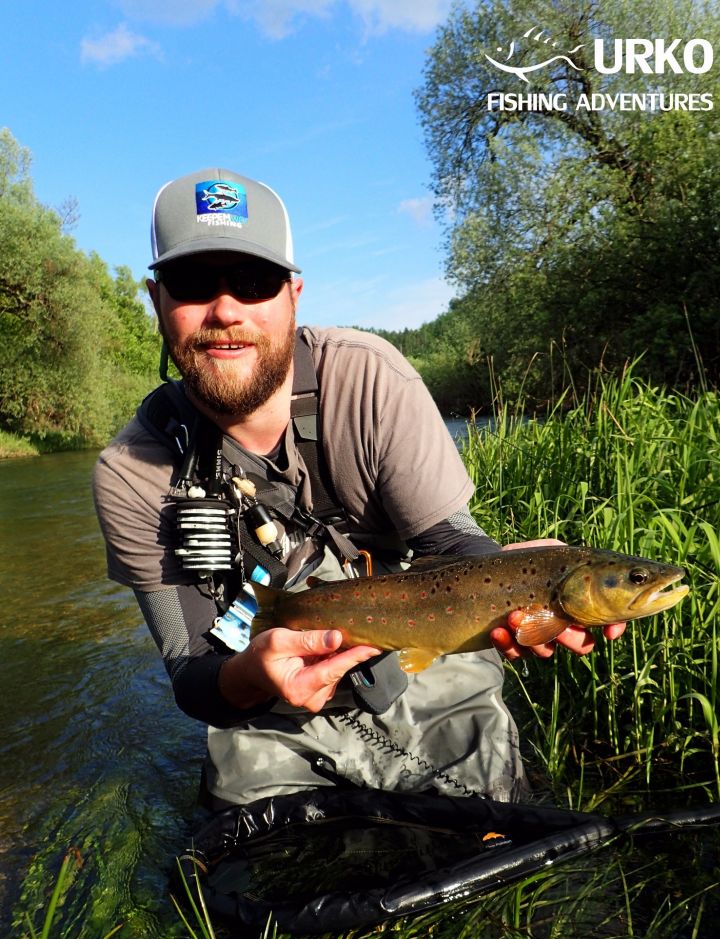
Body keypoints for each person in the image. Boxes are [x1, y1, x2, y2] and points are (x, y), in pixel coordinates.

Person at [93, 167, 625, 810]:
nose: (226, 310)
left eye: (254, 282)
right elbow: (192, 678)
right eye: (194, 283)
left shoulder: (373, 380)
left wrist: (519, 574)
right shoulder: (133, 471)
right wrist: (251, 673)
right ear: (156, 300)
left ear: (293, 295)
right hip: (266, 708)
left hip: (418, 661)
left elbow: (453, 545)